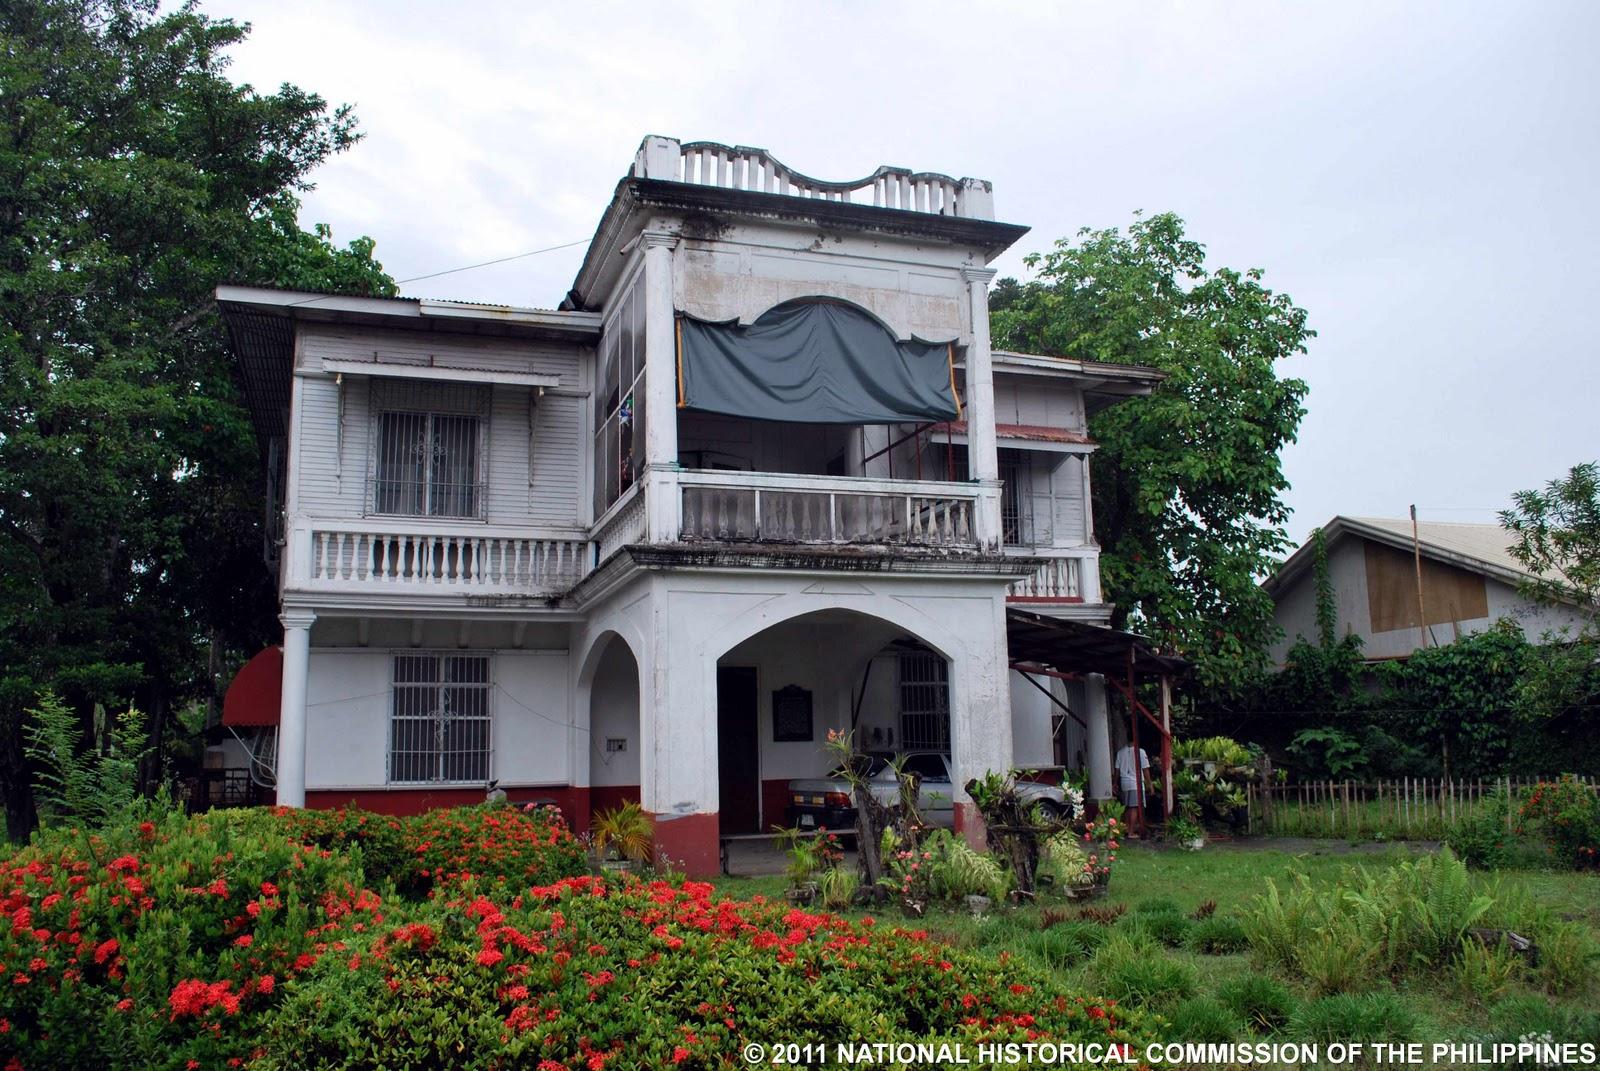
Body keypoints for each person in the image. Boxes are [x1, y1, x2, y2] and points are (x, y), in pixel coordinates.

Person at [1114, 742, 1153, 829]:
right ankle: (1131, 831)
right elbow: (1145, 769)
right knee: (1134, 808)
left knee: (1127, 807)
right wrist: (1149, 784)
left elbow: (1117, 770)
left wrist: (1115, 783)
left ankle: (1127, 829)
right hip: (1136, 783)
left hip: (1124, 783)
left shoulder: (1120, 752)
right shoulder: (1140, 752)